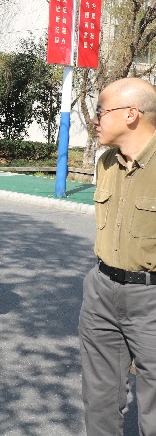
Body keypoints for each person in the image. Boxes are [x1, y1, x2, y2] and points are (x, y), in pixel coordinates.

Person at [79, 77, 156, 435]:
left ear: (131, 114)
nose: (94, 120)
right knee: (99, 399)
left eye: (100, 111)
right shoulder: (106, 162)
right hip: (102, 291)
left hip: (151, 297)